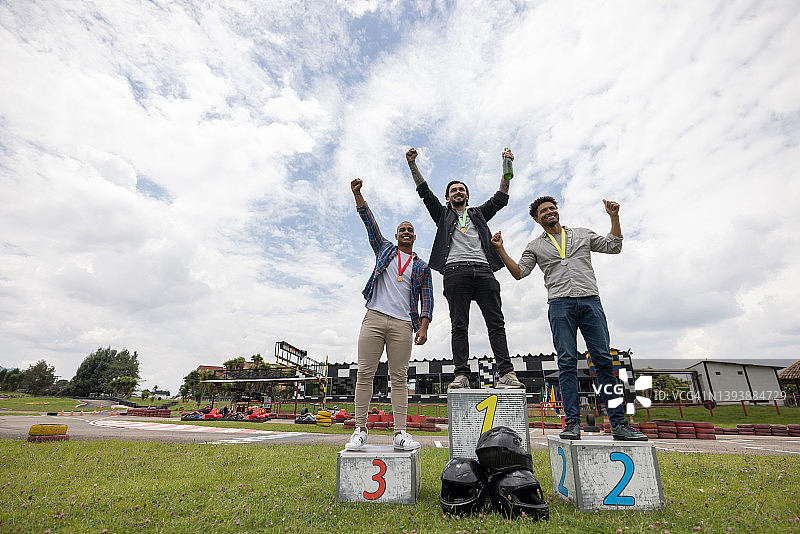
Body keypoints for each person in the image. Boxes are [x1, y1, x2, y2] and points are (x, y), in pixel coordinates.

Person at [490, 196, 647, 441]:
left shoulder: (582, 234)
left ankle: (618, 424)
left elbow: (613, 246)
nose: (549, 212)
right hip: (560, 305)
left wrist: (614, 217)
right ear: (537, 219)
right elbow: (519, 272)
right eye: (544, 211)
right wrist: (500, 249)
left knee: (603, 361)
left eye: (552, 208)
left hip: (590, 301)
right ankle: (572, 422)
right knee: (566, 362)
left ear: (557, 211)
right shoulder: (534, 246)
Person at [406, 148, 523, 390]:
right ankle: (461, 374)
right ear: (447, 197)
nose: (458, 192)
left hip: (484, 271)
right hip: (455, 272)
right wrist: (412, 164)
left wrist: (507, 165)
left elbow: (500, 197)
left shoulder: (478, 214)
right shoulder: (442, 215)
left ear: (467, 196)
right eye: (453, 190)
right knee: (459, 325)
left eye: (462, 190)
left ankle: (506, 372)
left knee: (496, 322)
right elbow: (424, 192)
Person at [346, 178, 434, 451]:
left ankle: (400, 433)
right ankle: (360, 429)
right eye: (402, 230)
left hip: (403, 324)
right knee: (365, 373)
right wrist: (358, 195)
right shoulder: (385, 250)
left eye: (410, 230)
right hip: (374, 318)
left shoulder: (422, 267)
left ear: (414, 237)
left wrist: (423, 327)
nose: (406, 232)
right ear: (396, 236)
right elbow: (369, 223)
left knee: (399, 377)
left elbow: (428, 299)